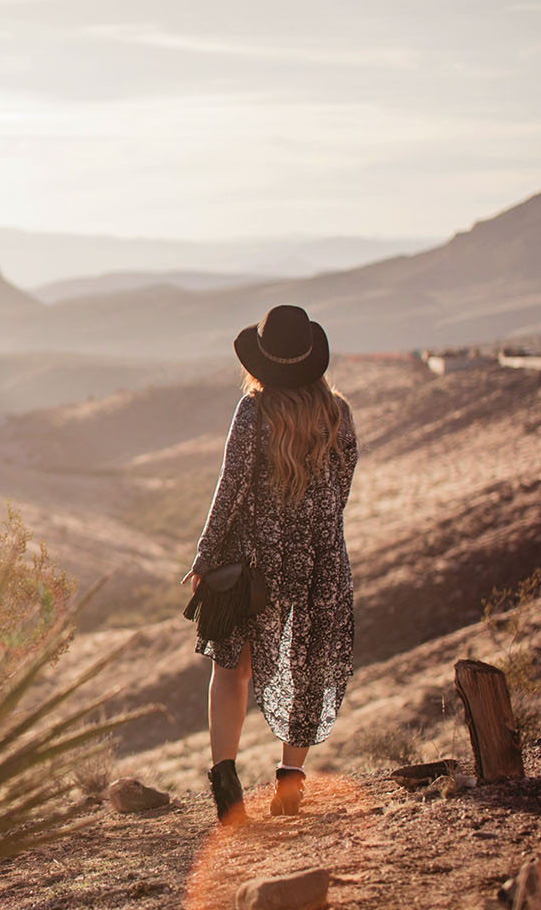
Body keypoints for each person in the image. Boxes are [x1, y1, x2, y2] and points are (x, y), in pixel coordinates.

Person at [183, 304, 357, 822]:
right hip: (321, 560)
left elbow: (229, 489)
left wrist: (205, 556)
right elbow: (341, 486)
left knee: (231, 666)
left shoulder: (252, 411)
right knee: (308, 666)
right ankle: (290, 783)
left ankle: (226, 784)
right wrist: (315, 530)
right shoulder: (337, 413)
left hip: (254, 561)